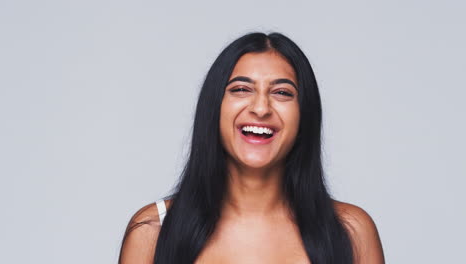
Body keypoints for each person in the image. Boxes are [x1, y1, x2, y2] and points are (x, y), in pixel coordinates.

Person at [118, 32, 385, 264]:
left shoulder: (350, 231)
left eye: (282, 93)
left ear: (305, 113)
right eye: (242, 89)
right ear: (214, 108)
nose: (260, 108)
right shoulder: (153, 230)